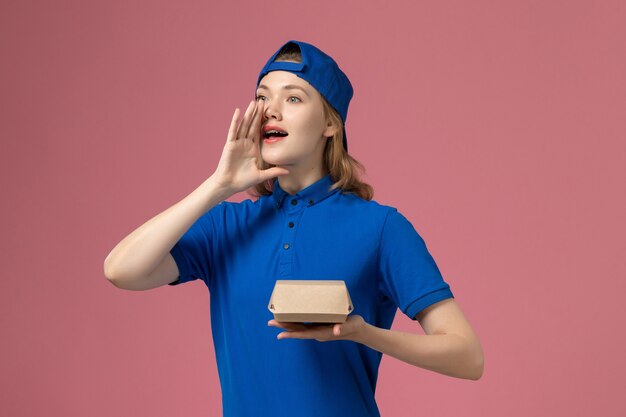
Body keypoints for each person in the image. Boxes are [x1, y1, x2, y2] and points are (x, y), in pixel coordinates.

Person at [104, 40, 484, 417]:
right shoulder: (226, 226)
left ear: (331, 124)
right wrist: (217, 186)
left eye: (294, 99)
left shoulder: (381, 228)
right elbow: (121, 270)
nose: (271, 111)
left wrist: (363, 333)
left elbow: (467, 357)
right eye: (262, 97)